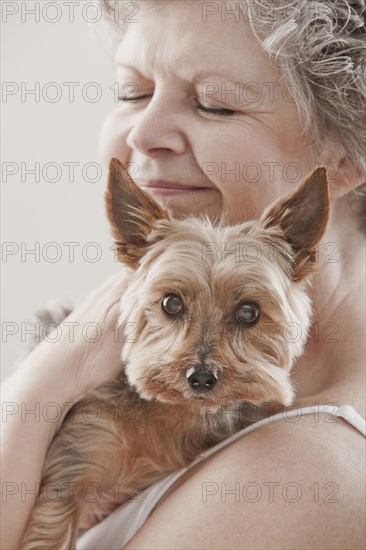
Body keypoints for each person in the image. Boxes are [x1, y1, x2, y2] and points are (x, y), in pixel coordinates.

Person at [2, 1, 365, 549]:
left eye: (215, 105)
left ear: (345, 158)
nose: (144, 132)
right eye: (132, 92)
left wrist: (41, 386)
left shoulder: (299, 471)